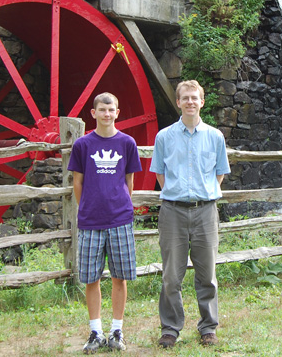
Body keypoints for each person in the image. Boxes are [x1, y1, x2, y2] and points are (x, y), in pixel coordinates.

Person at [150, 80, 231, 348]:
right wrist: (177, 194)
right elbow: (160, 174)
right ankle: (170, 329)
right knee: (171, 276)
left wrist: (202, 194)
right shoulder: (163, 137)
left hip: (205, 211)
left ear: (202, 102)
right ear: (178, 102)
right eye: (185, 98)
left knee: (207, 275)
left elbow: (219, 173)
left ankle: (208, 327)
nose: (190, 102)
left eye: (195, 98)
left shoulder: (215, 137)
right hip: (172, 212)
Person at [68, 92, 142, 353]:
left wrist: (118, 203)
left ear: (117, 113)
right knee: (91, 278)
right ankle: (96, 331)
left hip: (120, 218)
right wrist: (89, 205)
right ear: (93, 113)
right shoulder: (83, 145)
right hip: (90, 220)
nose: (107, 114)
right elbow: (78, 182)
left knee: (119, 277)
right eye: (102, 110)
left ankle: (117, 330)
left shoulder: (127, 143)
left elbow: (129, 182)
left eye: (111, 110)